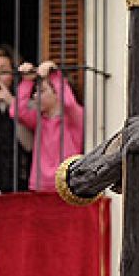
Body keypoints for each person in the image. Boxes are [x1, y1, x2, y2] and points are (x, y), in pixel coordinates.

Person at [12, 60, 84, 192]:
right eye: (35, 91)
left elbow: (68, 103)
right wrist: (27, 81)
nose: (35, 95)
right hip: (39, 186)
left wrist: (54, 75)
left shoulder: (74, 117)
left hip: (67, 184)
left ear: (57, 94)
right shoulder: (39, 119)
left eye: (42, 91)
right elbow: (16, 111)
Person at [0, 47, 32, 194]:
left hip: (19, 179)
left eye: (3, 71)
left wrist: (12, 103)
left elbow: (29, 144)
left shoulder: (26, 102)